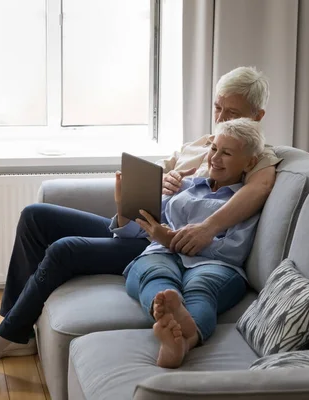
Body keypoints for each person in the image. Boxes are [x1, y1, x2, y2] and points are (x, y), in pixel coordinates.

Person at [0, 66, 280, 389]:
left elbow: (259, 189)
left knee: (66, 250)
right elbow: (162, 179)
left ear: (257, 117)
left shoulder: (257, 155)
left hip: (161, 244)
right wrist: (159, 183)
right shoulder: (204, 143)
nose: (220, 119)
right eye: (217, 108)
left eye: (231, 114)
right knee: (35, 216)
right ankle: (19, 333)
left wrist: (206, 227)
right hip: (143, 226)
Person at [113, 118, 264, 368]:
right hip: (161, 255)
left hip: (214, 264)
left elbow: (233, 251)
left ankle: (183, 339)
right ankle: (175, 324)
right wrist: (122, 206)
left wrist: (171, 239)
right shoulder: (186, 187)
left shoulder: (243, 202)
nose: (215, 158)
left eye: (226, 153)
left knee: (201, 288)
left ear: (250, 162)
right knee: (154, 274)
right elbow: (138, 230)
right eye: (214, 148)